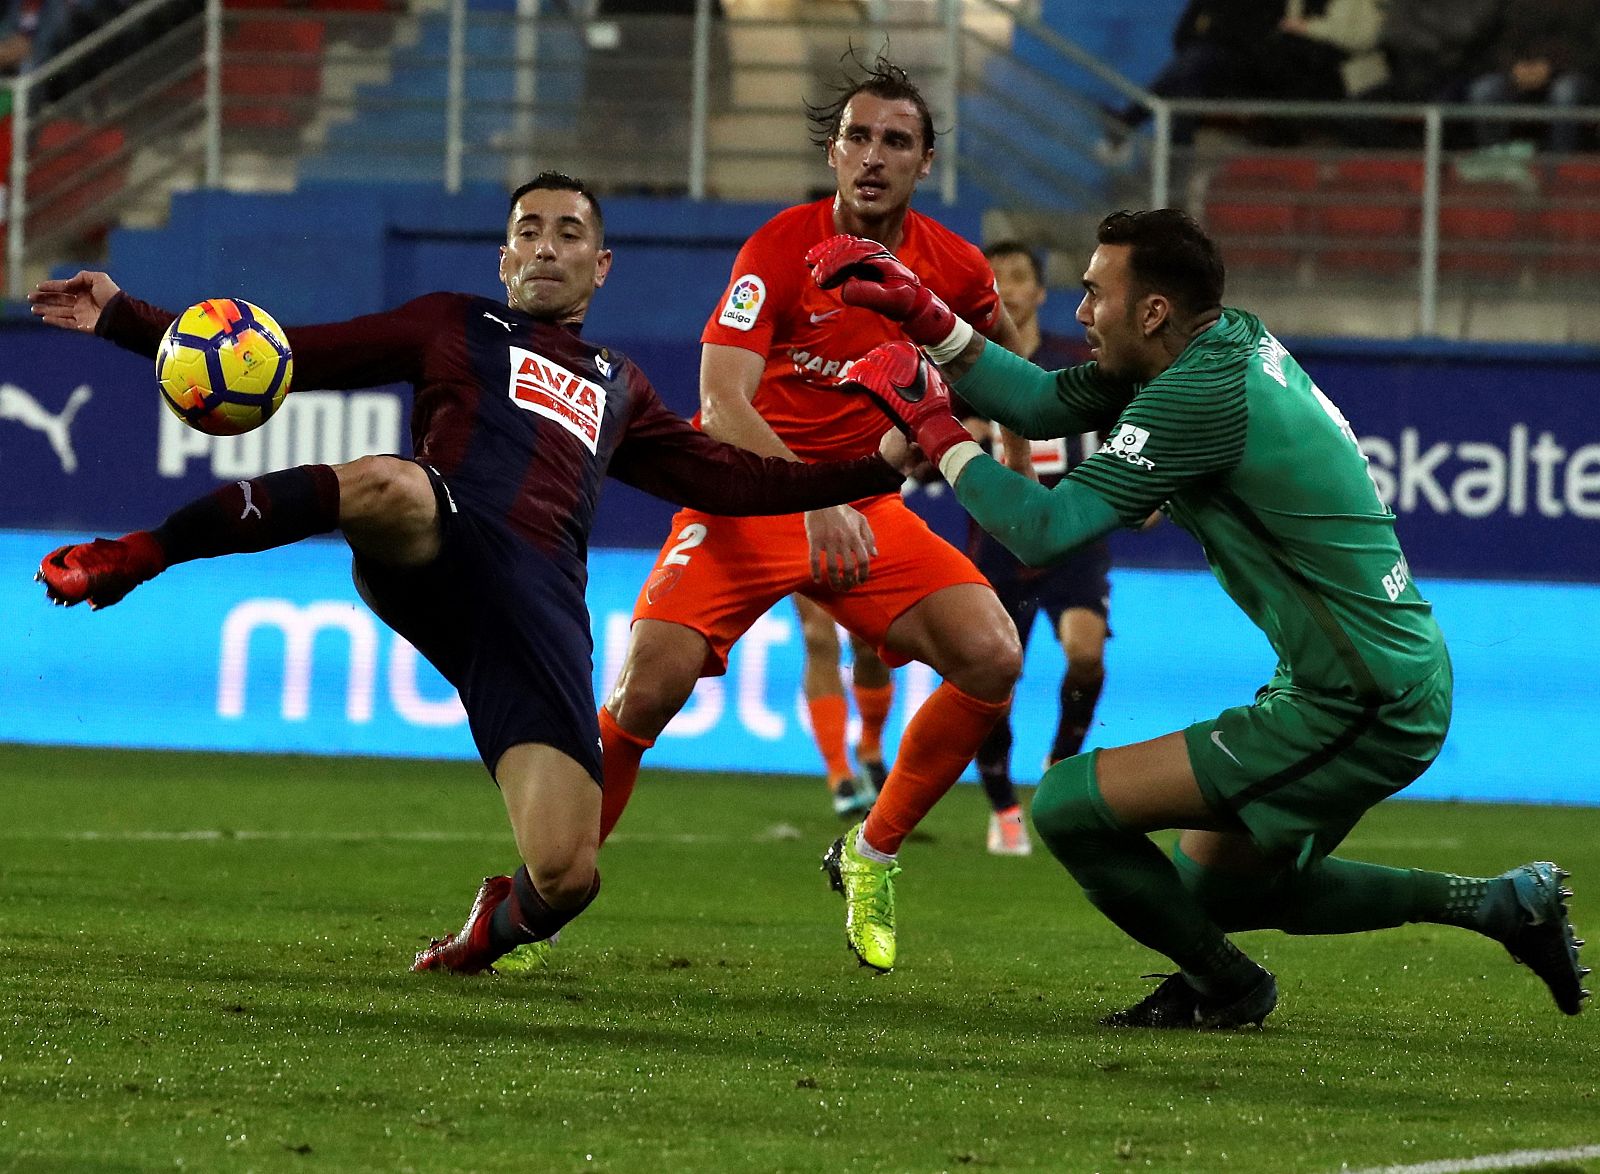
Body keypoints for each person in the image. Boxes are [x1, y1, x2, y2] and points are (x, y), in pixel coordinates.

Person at [28, 171, 909, 979]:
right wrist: (127, 318)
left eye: (568, 234)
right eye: (529, 231)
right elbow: (289, 355)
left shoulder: (621, 385)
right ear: (504, 257)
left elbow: (729, 479)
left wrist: (874, 469)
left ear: (601, 266)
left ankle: (487, 932)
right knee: (387, 483)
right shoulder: (452, 322)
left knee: (566, 875)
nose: (546, 248)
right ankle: (138, 554)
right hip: (440, 540)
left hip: (536, 607)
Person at [808, 208, 1589, 1026]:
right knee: (1219, 889)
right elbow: (1037, 401)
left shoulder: (1198, 396)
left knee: (1068, 806)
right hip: (1365, 673)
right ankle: (1503, 905)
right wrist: (921, 312)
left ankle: (1228, 986)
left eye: (1095, 293)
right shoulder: (1214, 344)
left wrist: (934, 427)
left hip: (1363, 698)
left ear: (1152, 311)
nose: (1081, 312)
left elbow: (1042, 530)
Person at [597, 56, 1025, 975]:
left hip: (863, 510)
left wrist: (1011, 456)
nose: (873, 156)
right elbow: (721, 402)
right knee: (644, 693)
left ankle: (870, 853)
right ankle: (545, 889)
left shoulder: (956, 267)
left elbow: (1004, 370)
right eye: (857, 137)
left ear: (925, 161)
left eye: (896, 141)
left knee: (993, 656)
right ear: (832, 151)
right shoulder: (781, 247)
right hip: (746, 503)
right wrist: (814, 496)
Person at [955, 241, 1109, 858]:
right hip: (1000, 542)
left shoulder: (1079, 366)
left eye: (1018, 277)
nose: (1006, 288)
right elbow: (931, 447)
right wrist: (958, 439)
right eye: (995, 277)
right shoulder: (967, 372)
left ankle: (1059, 766)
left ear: (1042, 293)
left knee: (1086, 653)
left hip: (1072, 535)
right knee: (996, 679)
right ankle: (1004, 807)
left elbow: (1122, 434)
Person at [792, 593, 896, 818]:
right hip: (808, 568)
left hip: (865, 568)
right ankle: (839, 774)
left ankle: (870, 747)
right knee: (817, 637)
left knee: (870, 644)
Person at [1466, 0, 1599, 155]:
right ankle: (1496, 158)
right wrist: (1514, 68)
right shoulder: (1516, 5)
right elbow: (1500, 43)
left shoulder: (1587, 6)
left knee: (1565, 91)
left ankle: (1559, 160)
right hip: (1519, 74)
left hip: (1570, 74)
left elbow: (1589, 51)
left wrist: (1551, 68)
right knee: (1485, 89)